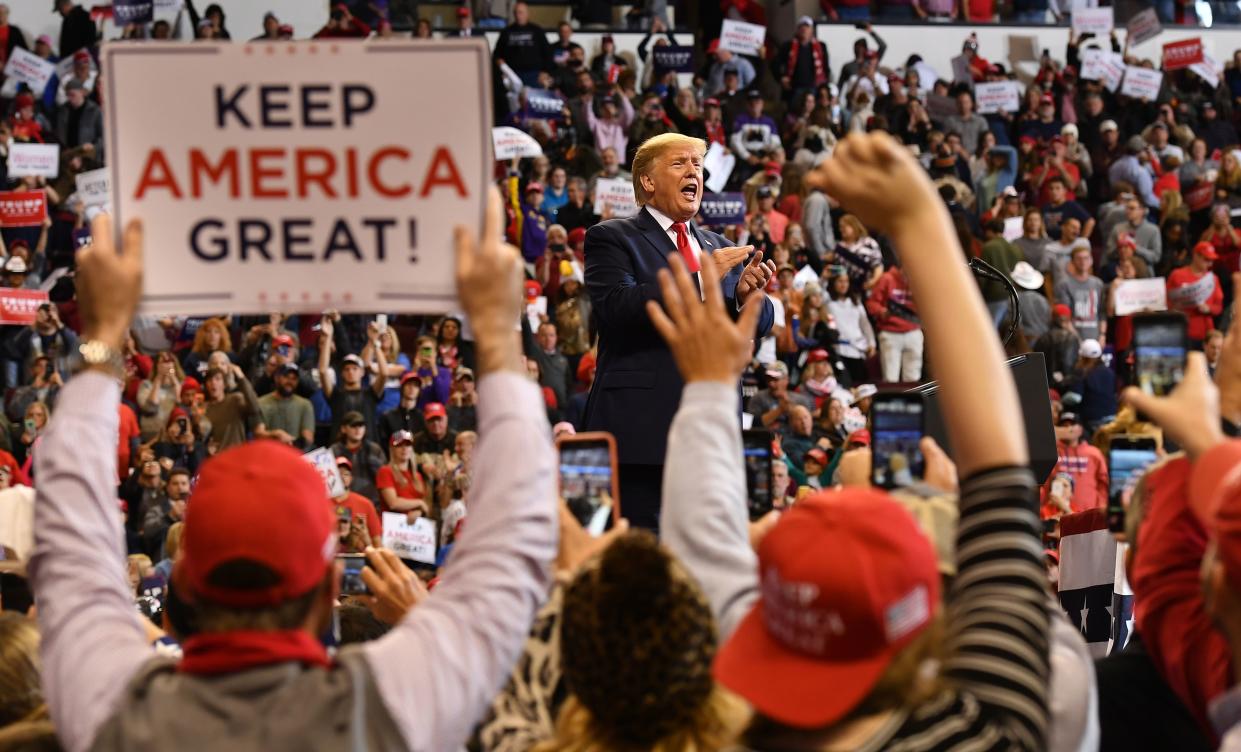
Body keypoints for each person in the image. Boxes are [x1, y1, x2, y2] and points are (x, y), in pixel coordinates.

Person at [27, 194, 557, 751]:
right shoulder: (399, 704)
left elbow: (67, 531)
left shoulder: (111, 708)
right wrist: (498, 331)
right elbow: (516, 534)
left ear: (182, 584)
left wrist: (104, 334)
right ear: (330, 586)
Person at [656, 131, 1049, 750]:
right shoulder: (987, 734)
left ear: (764, 627)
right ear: (921, 630)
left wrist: (708, 385)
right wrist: (920, 218)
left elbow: (698, 539)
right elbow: (1002, 474)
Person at [582, 133, 775, 531]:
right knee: (640, 561)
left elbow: (760, 323)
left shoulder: (718, 245)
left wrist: (744, 297)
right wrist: (702, 282)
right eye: (680, 163)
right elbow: (618, 308)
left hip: (712, 436)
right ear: (648, 181)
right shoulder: (613, 237)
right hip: (641, 435)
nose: (694, 172)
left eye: (698, 165)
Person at [867, 259, 922, 383]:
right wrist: (881, 311)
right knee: (891, 378)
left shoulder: (919, 281)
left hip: (914, 331)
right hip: (891, 333)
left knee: (913, 378)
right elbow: (872, 303)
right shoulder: (887, 278)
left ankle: (912, 402)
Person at [1168, 242, 1224, 347]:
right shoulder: (1177, 275)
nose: (1209, 264)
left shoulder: (1213, 279)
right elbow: (1167, 300)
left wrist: (1208, 308)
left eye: (1211, 261)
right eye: (1206, 259)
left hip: (1204, 334)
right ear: (1196, 256)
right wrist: (1174, 308)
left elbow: (1218, 307)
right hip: (1181, 331)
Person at [255, 363, 314, 449]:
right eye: (286, 377)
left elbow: (308, 438)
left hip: (295, 453)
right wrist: (276, 434)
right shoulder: (261, 403)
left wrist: (290, 442)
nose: (290, 382)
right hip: (268, 452)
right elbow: (258, 433)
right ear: (276, 378)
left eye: (294, 378)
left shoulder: (305, 404)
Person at [330, 411, 385, 503]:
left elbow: (384, 477)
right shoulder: (334, 450)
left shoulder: (374, 449)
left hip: (372, 502)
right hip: (342, 502)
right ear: (343, 429)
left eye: (361, 426)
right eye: (353, 426)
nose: (358, 429)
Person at [1056, 245, 1107, 344]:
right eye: (1079, 258)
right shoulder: (1064, 284)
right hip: (1073, 337)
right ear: (1072, 262)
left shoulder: (1098, 284)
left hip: (1095, 337)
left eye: (1086, 258)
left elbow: (1102, 313)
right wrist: (1078, 340)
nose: (1083, 262)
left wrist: (1102, 335)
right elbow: (1065, 318)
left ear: (1091, 260)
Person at [202, 363, 259, 451]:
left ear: (224, 384)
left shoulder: (235, 399)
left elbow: (254, 407)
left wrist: (241, 377)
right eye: (210, 380)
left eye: (217, 379)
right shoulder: (205, 409)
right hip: (218, 459)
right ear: (206, 385)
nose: (213, 383)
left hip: (237, 456)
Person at [375, 430, 429, 517]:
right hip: (392, 527)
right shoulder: (385, 471)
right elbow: (393, 503)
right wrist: (419, 503)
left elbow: (426, 506)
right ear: (392, 449)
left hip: (414, 527)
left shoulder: (417, 476)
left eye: (408, 445)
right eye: (399, 445)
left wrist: (419, 512)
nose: (404, 448)